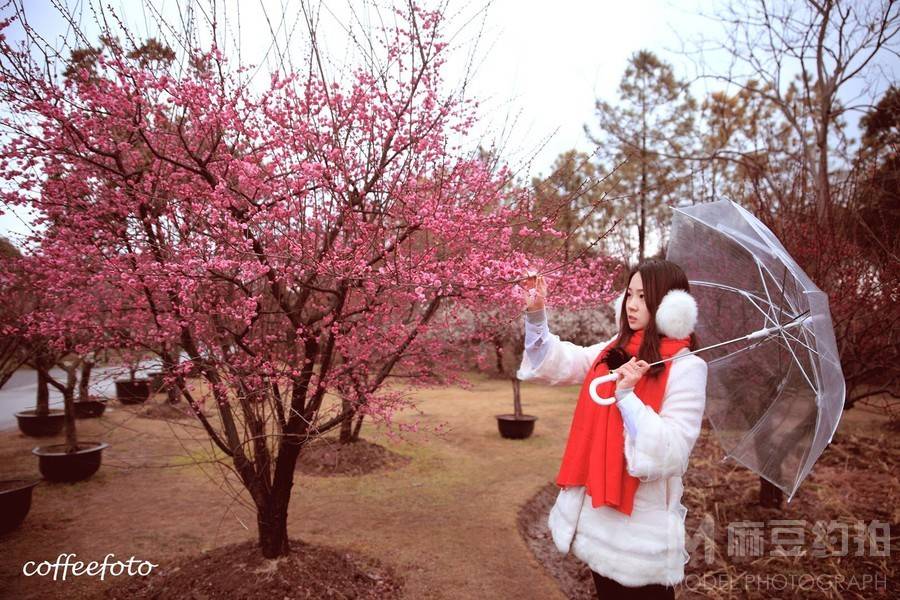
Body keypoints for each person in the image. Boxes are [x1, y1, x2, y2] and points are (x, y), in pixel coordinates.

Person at [516, 258, 708, 599]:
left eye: (643, 297)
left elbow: (672, 452)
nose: (631, 305)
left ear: (668, 306)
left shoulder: (686, 368)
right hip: (598, 523)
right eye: (629, 294)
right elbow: (560, 361)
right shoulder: (615, 349)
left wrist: (627, 397)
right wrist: (536, 314)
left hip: (640, 538)